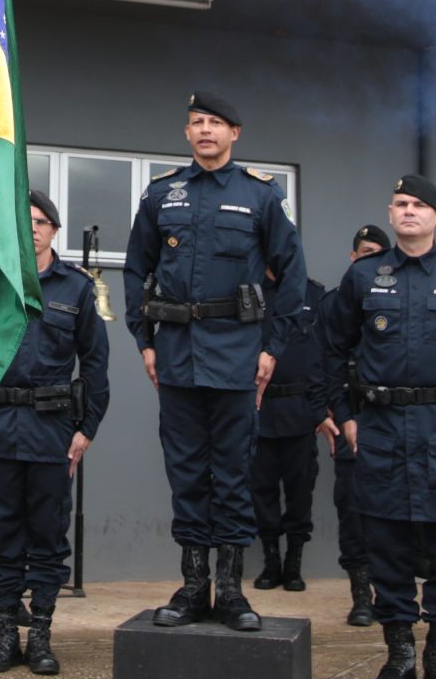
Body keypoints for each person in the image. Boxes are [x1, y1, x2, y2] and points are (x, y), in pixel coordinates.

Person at [124, 93, 307, 633]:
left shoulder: (262, 196)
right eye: (197, 123)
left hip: (237, 354)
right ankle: (192, 584)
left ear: (235, 133)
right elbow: (137, 271)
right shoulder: (163, 195)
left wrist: (272, 347)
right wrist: (146, 340)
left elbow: (292, 277)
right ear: (187, 134)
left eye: (216, 123)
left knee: (231, 471)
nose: (205, 130)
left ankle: (229, 589)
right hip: (177, 353)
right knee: (185, 472)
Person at [319, 175, 436, 679]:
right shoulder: (363, 277)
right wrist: (345, 413)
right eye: (399, 204)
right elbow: (332, 349)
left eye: (419, 205)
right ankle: (399, 658)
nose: (408, 212)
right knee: (388, 549)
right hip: (380, 426)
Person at [0, 192, 112, 675]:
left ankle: (42, 637)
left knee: (48, 537)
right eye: (22, 220)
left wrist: (86, 428)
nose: (31, 228)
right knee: (0, 536)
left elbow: (95, 363)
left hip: (52, 430)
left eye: (40, 221)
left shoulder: (74, 288)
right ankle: (6, 634)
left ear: (54, 230)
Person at [252, 267, 334, 593]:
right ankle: (271, 563)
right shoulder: (252, 292)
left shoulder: (313, 295)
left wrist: (321, 407)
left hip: (301, 410)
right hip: (260, 409)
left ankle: (294, 563)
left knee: (300, 492)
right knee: (261, 491)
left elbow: (324, 355)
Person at [334, 225, 390, 625]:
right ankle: (361, 595)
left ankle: (389, 592)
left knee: (392, 515)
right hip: (350, 421)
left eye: (378, 253)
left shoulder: (398, 303)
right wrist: (332, 414)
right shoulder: (332, 304)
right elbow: (323, 362)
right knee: (352, 511)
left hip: (390, 422)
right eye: (365, 252)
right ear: (353, 258)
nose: (371, 259)